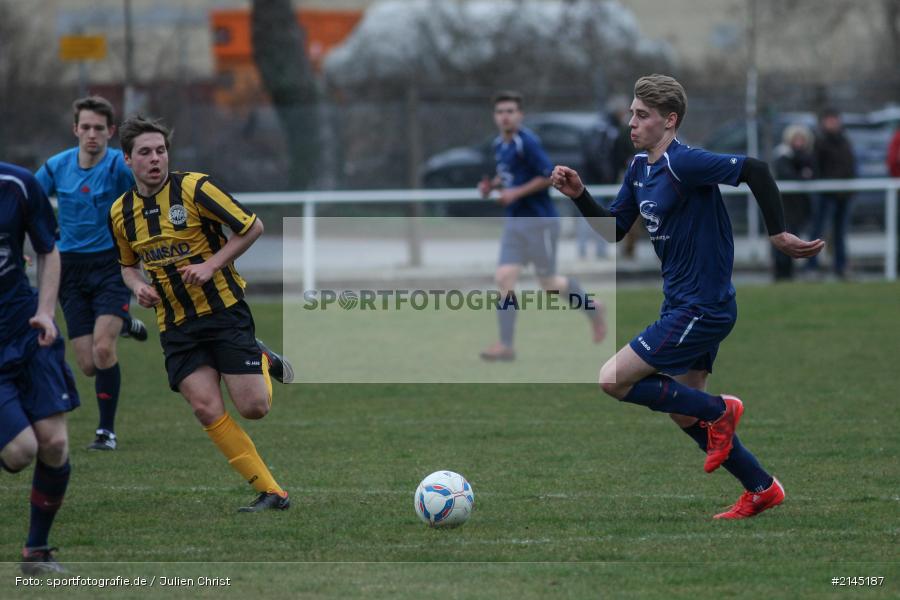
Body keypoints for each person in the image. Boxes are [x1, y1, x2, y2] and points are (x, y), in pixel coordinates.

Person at [551, 74, 824, 519]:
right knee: (683, 410)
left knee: (612, 378)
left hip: (704, 306)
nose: (632, 124)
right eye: (632, 114)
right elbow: (614, 230)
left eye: (643, 116)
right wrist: (580, 196)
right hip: (681, 304)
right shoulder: (640, 169)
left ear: (670, 121)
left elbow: (755, 169)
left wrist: (777, 233)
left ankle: (720, 409)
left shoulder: (685, 163)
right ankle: (761, 487)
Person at [107, 115, 295, 512]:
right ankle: (272, 492)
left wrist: (211, 266)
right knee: (205, 407)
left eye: (160, 150)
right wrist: (138, 286)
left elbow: (252, 226)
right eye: (145, 152)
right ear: (127, 159)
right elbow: (127, 266)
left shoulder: (195, 188)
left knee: (254, 408)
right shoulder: (121, 213)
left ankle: (262, 356)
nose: (155, 158)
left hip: (223, 311)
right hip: (176, 325)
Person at [35, 96, 148, 451]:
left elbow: (145, 196)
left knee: (102, 349)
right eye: (85, 127)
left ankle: (106, 432)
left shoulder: (118, 166)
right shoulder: (56, 167)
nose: (92, 135)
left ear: (111, 132)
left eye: (99, 128)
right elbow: (29, 203)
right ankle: (125, 324)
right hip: (69, 269)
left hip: (111, 266)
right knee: (86, 364)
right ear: (75, 130)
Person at [477, 91, 605, 361]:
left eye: (510, 111)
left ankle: (592, 308)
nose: (505, 116)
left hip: (539, 222)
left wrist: (515, 193)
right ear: (495, 116)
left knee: (548, 284)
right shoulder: (500, 144)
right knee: (503, 278)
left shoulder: (528, 142)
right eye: (500, 112)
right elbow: (509, 173)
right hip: (515, 223)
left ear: (520, 115)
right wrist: (494, 186)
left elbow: (547, 176)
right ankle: (506, 345)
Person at [0, 161, 80, 573]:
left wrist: (47, 312)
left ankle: (36, 551)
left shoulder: (17, 185)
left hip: (29, 330)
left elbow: (48, 250)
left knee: (54, 444)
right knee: (20, 452)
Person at [807, 108, 856, 278]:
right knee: (818, 232)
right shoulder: (819, 142)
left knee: (840, 233)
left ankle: (841, 267)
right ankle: (811, 267)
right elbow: (816, 167)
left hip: (844, 194)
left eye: (835, 119)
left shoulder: (845, 140)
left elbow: (850, 165)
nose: (833, 123)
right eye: (829, 119)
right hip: (825, 194)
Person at [771, 124, 816, 280]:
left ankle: (788, 275)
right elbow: (787, 174)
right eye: (796, 139)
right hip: (783, 206)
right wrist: (802, 175)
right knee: (781, 241)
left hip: (798, 207)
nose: (799, 142)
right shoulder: (783, 156)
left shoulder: (806, 156)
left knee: (793, 239)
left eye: (801, 139)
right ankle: (780, 274)